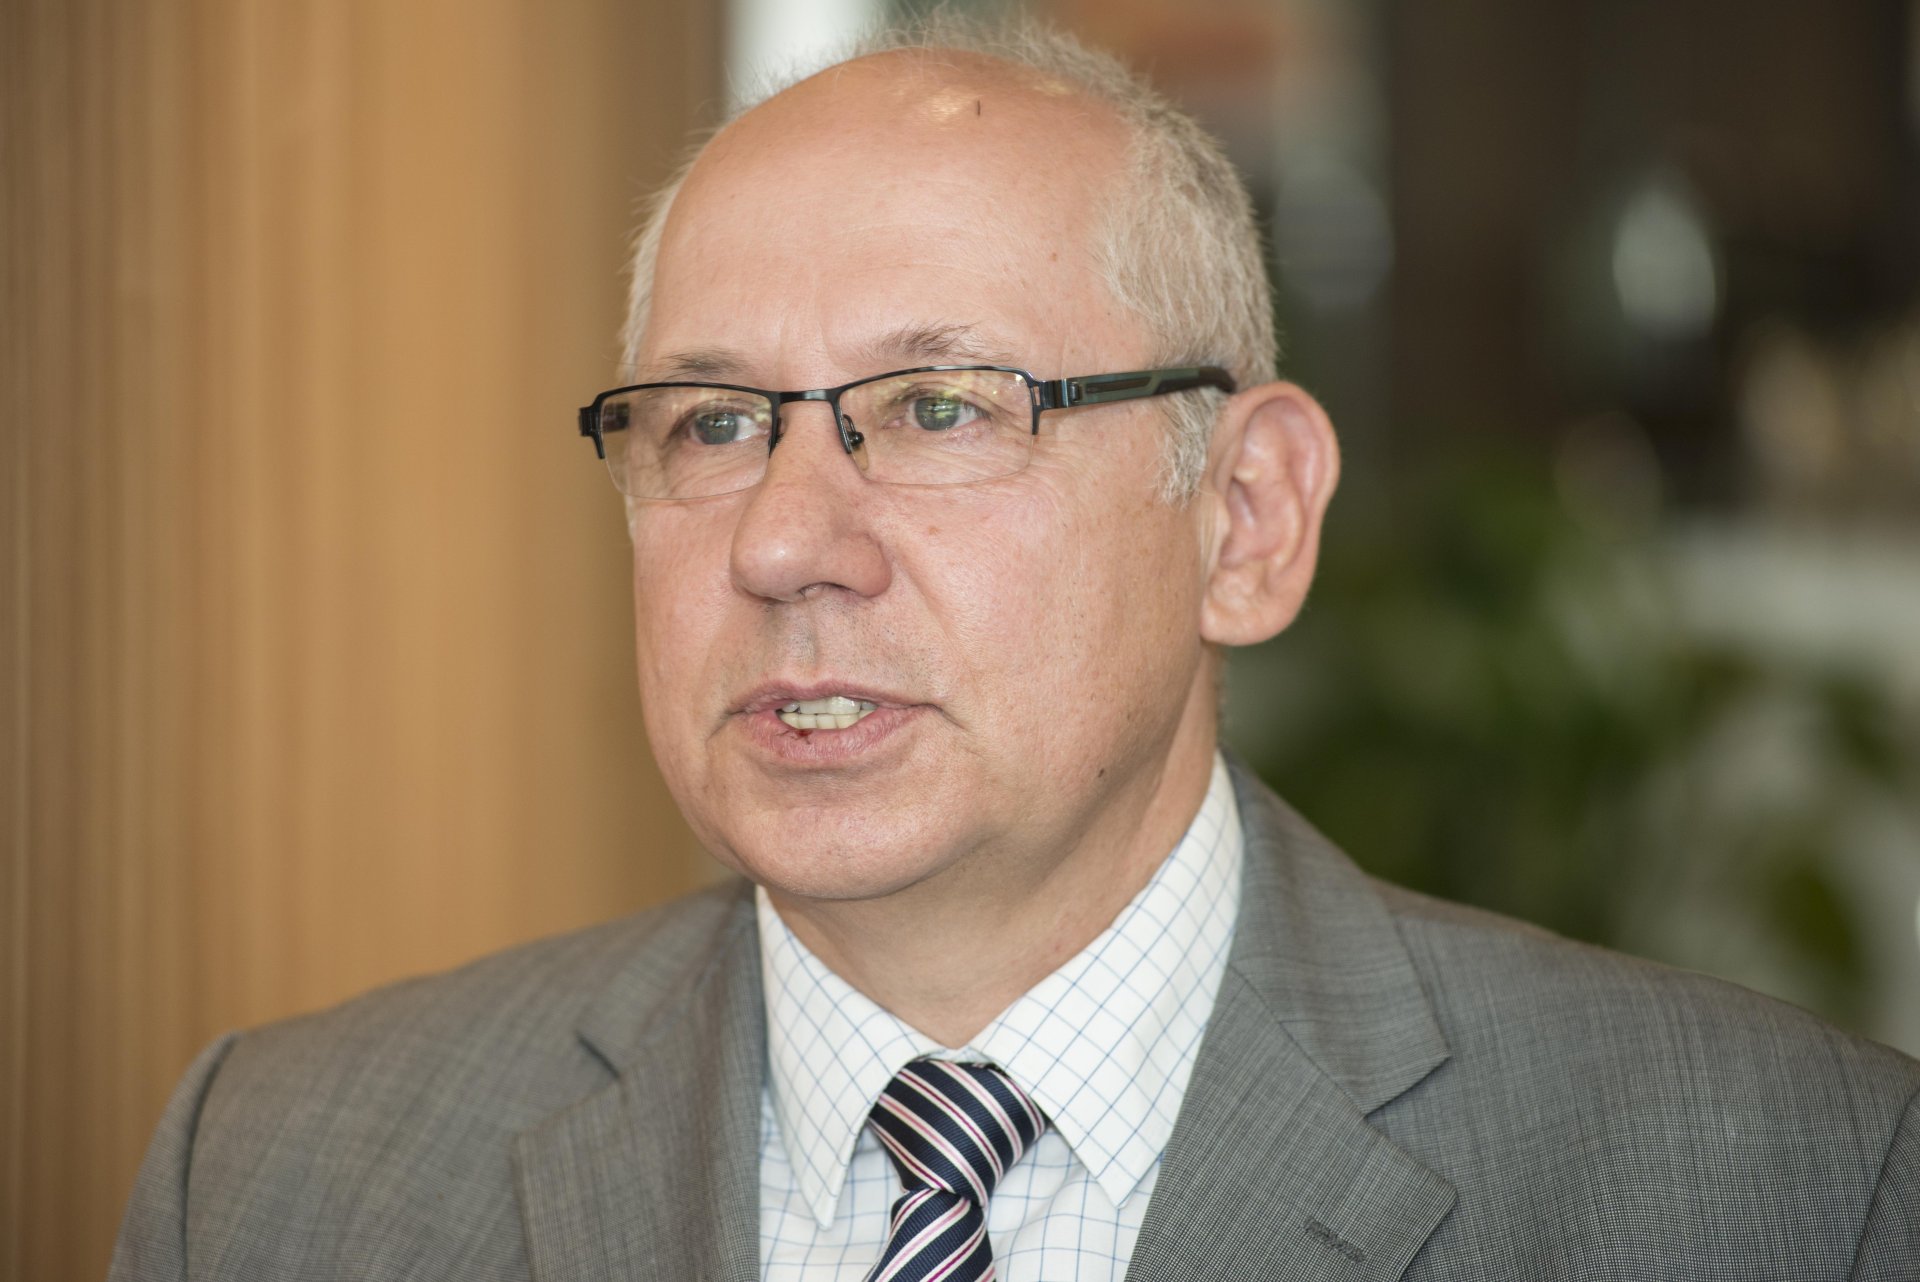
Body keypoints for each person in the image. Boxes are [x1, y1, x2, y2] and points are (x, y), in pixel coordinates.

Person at [111, 20, 1916, 1282]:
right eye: (713, 424)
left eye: (940, 406)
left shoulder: (1782, 1191)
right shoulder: (275, 1180)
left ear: (1246, 518)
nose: (783, 542)